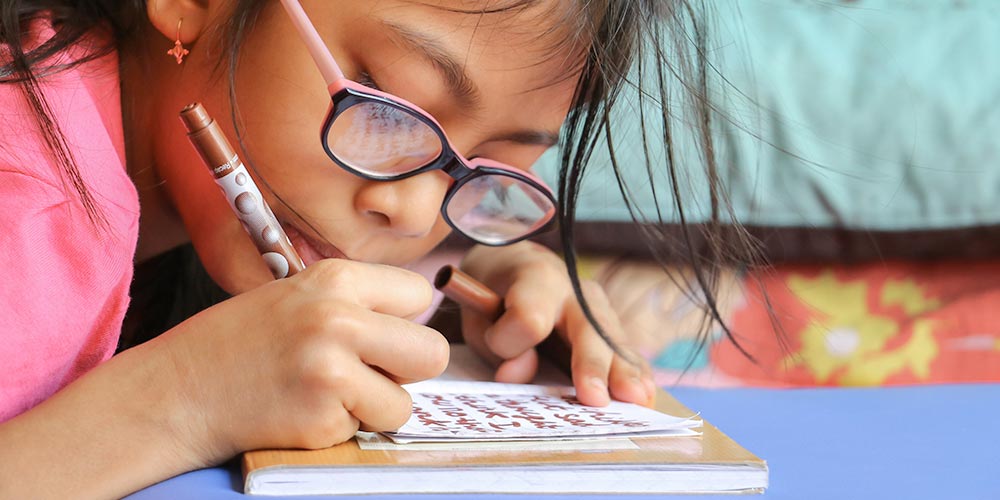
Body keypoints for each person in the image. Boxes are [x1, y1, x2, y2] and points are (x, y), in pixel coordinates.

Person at [0, 0, 726, 497]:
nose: (414, 215)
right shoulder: (27, 203)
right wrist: (186, 399)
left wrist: (485, 272)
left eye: (489, 170)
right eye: (384, 110)